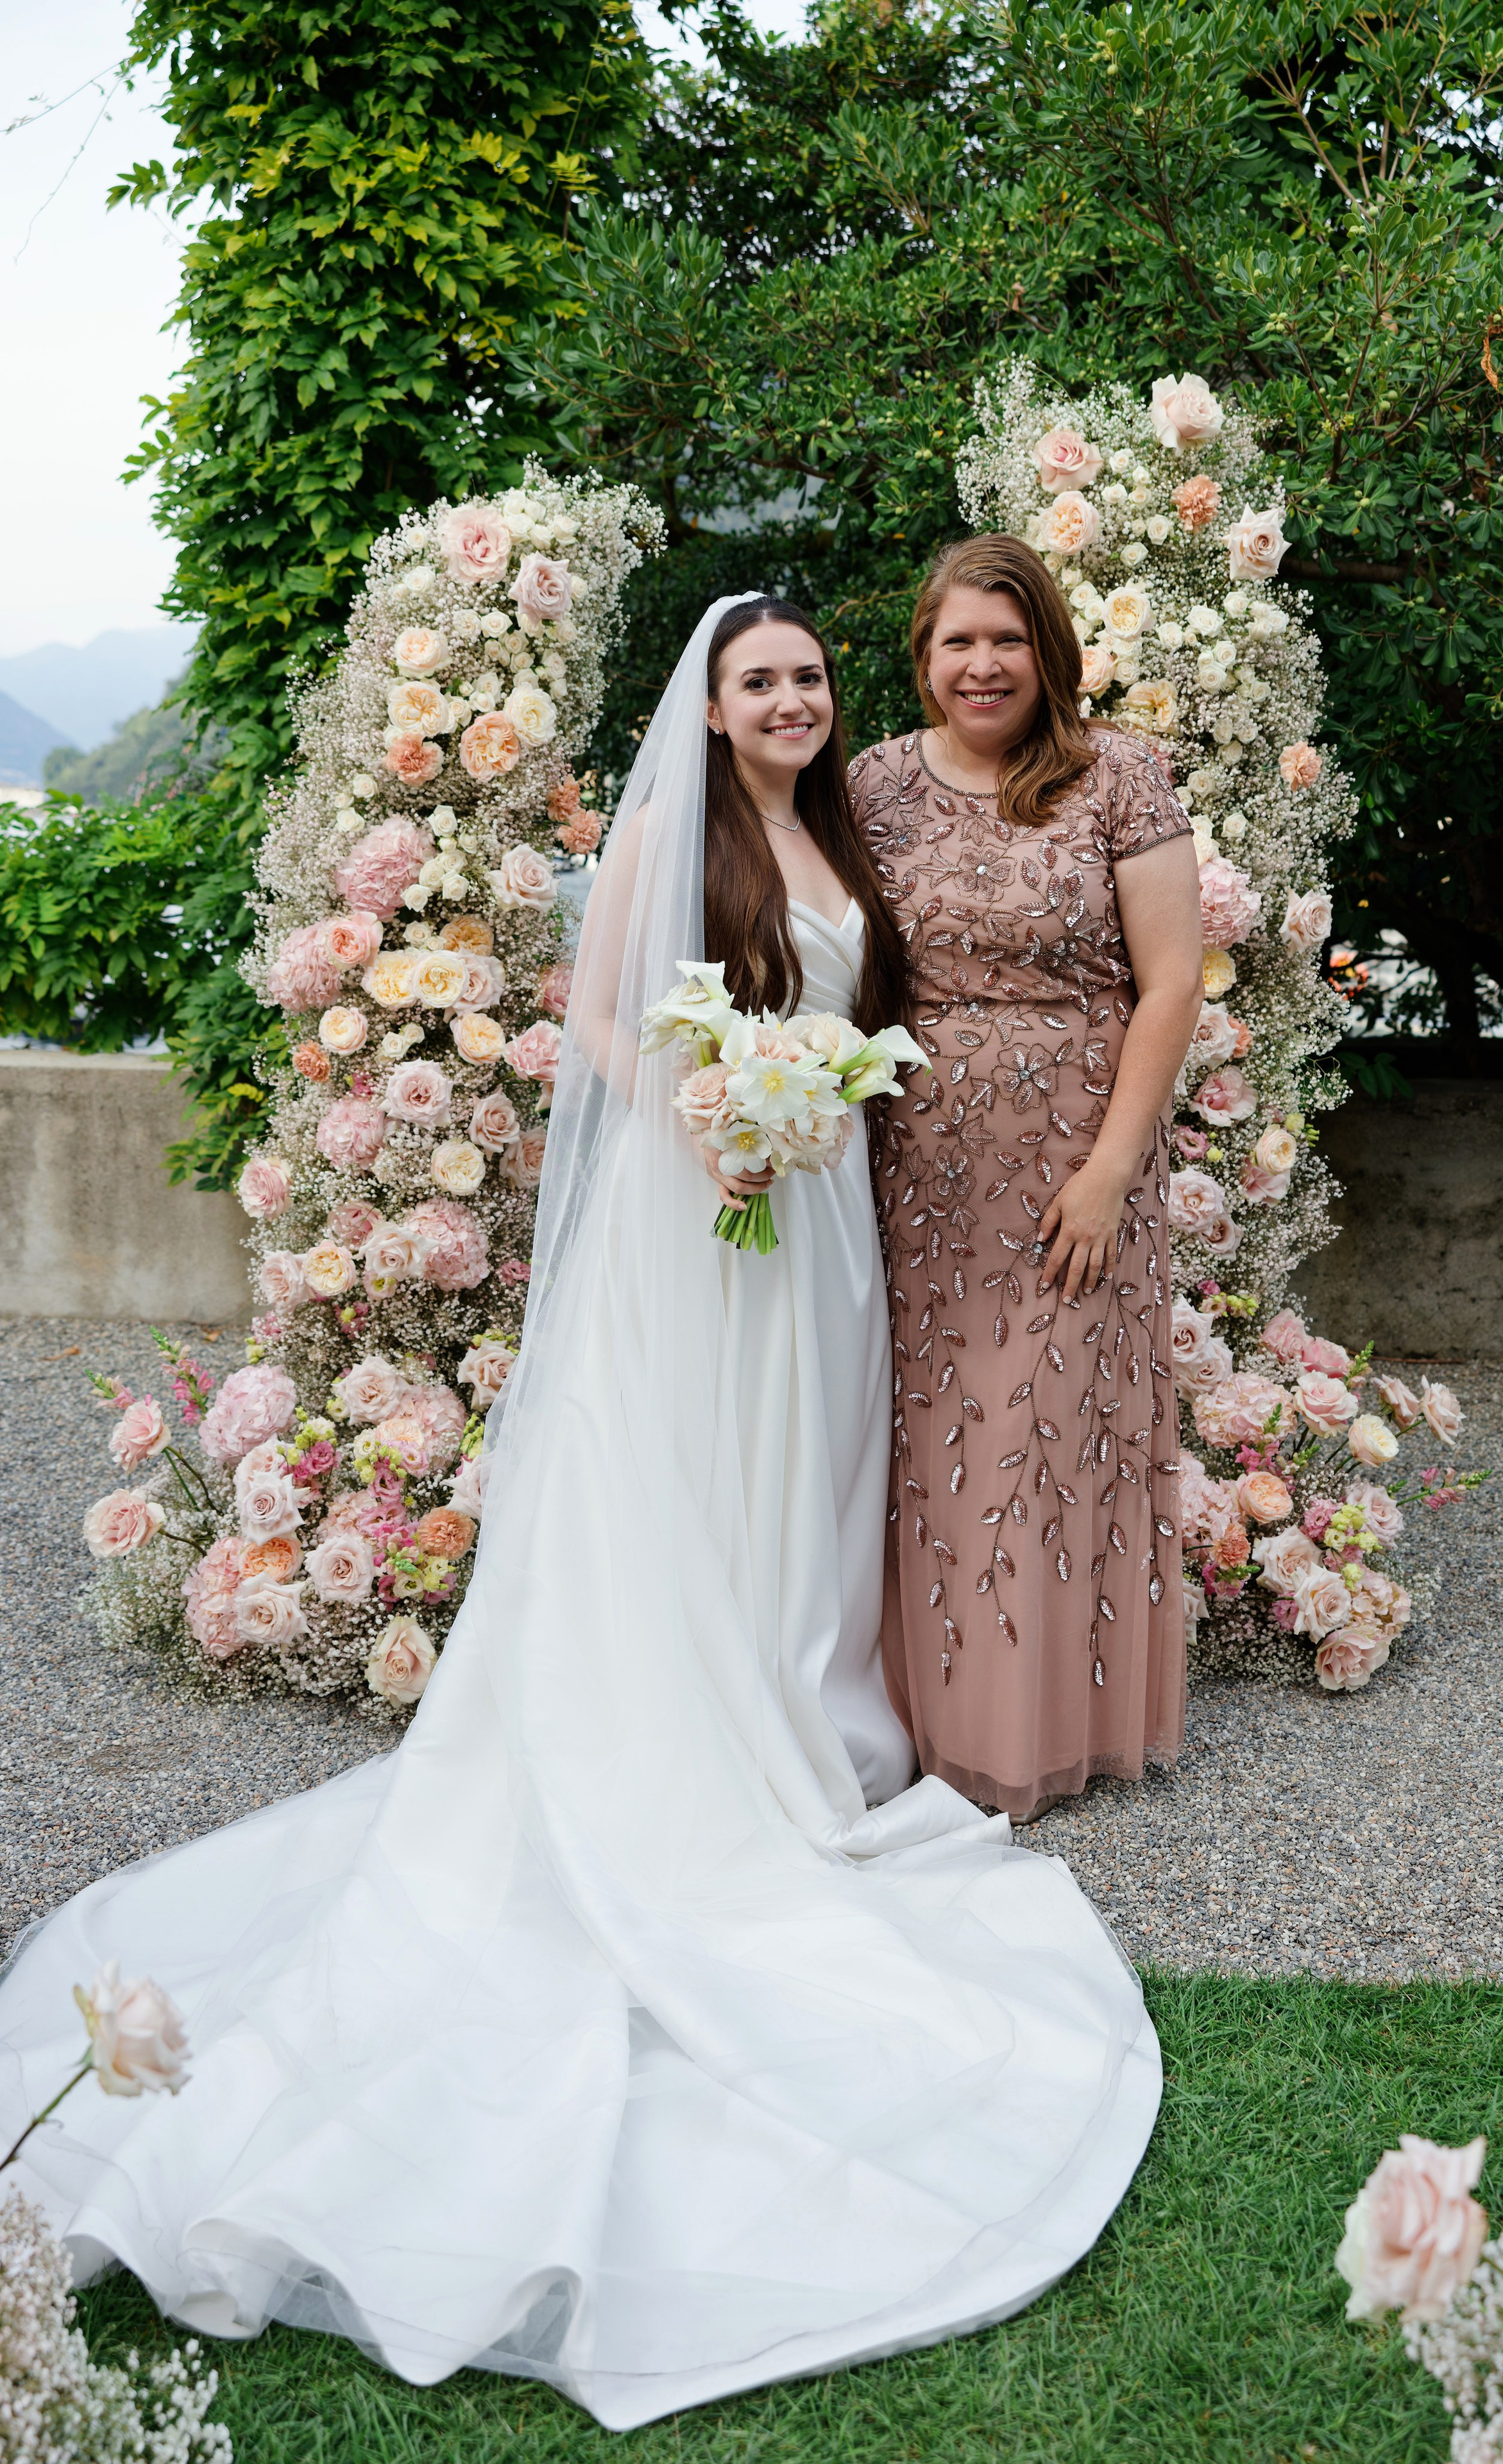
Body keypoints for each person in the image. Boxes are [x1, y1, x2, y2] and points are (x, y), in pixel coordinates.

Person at [0, 595, 1162, 2433]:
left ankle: (788, 1706)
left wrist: (811, 1104)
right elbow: (605, 1022)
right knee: (683, 1484)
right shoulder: (684, 842)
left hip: (828, 1229)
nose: (790, 700)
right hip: (701, 1228)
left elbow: (882, 1012)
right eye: (758, 680)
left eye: (807, 678)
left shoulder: (842, 830)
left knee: (809, 1486)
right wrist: (714, 1103)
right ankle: (682, 1745)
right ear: (710, 708)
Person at [851, 540, 1204, 1822]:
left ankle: (1045, 1728)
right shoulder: (874, 782)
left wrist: (1112, 1171)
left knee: (1051, 1437)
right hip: (911, 1166)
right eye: (957, 641)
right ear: (923, 656)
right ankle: (924, 1723)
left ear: (1045, 650)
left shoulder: (1118, 773)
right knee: (937, 1439)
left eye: (1005, 639)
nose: (981, 664)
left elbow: (1168, 981)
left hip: (1075, 1156)